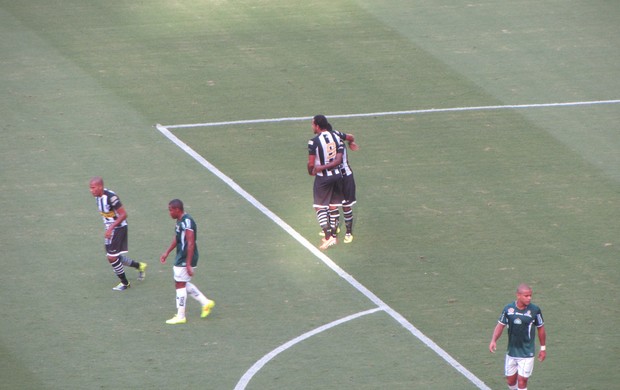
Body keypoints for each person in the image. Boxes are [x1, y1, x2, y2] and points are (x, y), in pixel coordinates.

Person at [160, 199, 215, 325]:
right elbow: (178, 238)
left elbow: (190, 242)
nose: (169, 213)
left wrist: (189, 263)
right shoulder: (179, 221)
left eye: (170, 210)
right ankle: (205, 302)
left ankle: (181, 316)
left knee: (180, 284)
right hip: (182, 256)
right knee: (181, 283)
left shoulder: (187, 222)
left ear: (177, 209)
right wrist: (167, 252)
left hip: (186, 257)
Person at [89, 176, 147, 291]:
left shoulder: (111, 197)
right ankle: (139, 266)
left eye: (93, 187)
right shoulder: (97, 198)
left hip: (119, 228)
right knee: (114, 257)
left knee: (111, 257)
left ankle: (125, 283)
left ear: (100, 187)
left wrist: (111, 228)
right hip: (110, 230)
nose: (91, 190)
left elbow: (123, 214)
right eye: (90, 188)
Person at [489, 283, 547, 390]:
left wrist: (543, 348)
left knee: (522, 382)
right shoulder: (508, 309)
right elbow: (500, 325)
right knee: (511, 381)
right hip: (511, 351)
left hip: (527, 352)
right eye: (526, 296)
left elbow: (541, 328)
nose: (529, 298)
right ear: (518, 295)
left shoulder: (535, 310)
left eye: (530, 295)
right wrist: (493, 340)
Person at [307, 114, 344, 250]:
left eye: (313, 124)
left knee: (320, 207)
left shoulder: (313, 142)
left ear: (317, 126)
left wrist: (312, 170)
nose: (312, 127)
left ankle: (328, 237)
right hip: (337, 175)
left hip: (323, 177)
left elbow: (311, 163)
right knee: (334, 205)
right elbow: (339, 158)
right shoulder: (336, 137)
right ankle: (334, 237)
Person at [327, 123, 358, 243]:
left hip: (344, 177)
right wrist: (351, 142)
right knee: (332, 204)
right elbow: (350, 137)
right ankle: (334, 230)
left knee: (346, 204)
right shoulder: (337, 134)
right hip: (334, 177)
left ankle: (348, 232)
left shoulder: (330, 141)